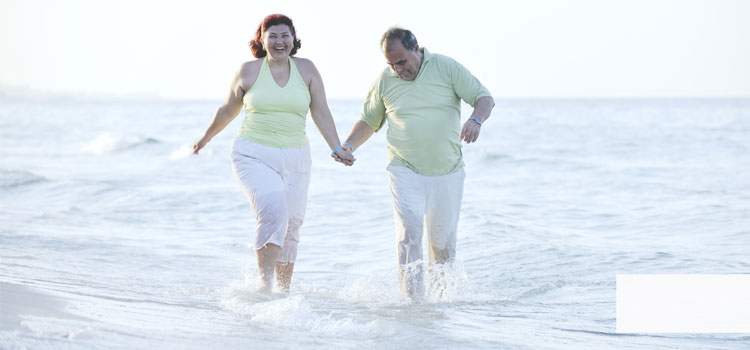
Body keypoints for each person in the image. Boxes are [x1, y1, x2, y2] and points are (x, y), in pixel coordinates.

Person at [194, 14, 355, 293]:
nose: (280, 42)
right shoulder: (248, 71)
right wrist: (206, 137)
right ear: (262, 40)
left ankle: (282, 293)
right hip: (253, 155)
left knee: (292, 225)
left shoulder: (307, 70)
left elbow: (321, 111)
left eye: (285, 36)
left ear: (293, 39)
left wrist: (337, 147)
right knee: (274, 213)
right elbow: (228, 109)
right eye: (273, 36)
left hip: (296, 157)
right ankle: (264, 287)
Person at [334, 27, 494, 301]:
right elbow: (370, 120)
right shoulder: (385, 80)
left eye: (402, 62)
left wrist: (475, 120)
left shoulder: (445, 67)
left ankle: (441, 303)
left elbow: (484, 98)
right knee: (409, 233)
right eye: (391, 64)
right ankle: (412, 303)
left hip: (448, 171)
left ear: (416, 49)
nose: (397, 69)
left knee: (442, 245)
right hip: (404, 168)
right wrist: (348, 145)